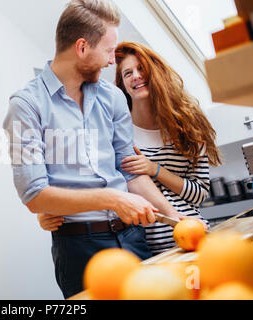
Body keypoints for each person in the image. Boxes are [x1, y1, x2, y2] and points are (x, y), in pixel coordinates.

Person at [3, 0, 184, 299]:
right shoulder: (26, 106)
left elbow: (130, 172)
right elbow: (35, 197)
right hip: (79, 250)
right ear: (82, 47)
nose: (112, 61)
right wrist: (114, 198)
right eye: (108, 51)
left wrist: (176, 217)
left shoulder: (112, 98)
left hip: (133, 237)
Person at [39, 42, 220, 256]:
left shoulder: (189, 127)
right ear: (122, 85)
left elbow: (199, 194)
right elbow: (84, 176)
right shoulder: (116, 131)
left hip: (192, 233)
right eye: (127, 73)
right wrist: (46, 209)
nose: (135, 76)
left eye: (141, 69)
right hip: (141, 245)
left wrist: (155, 170)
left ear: (156, 73)